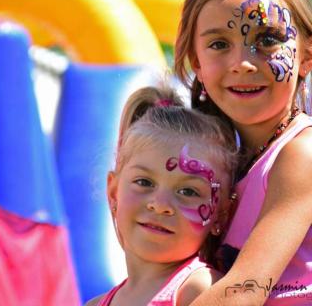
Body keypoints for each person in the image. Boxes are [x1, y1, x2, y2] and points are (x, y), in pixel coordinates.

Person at [174, 0, 312, 305]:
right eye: (219, 44)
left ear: (307, 56)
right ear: (198, 65)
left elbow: (243, 292)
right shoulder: (215, 166)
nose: (242, 63)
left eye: (267, 40)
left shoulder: (303, 153)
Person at [85, 85, 238, 306]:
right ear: (113, 192)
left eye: (188, 191)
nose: (160, 205)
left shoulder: (201, 290)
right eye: (144, 182)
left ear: (221, 215)